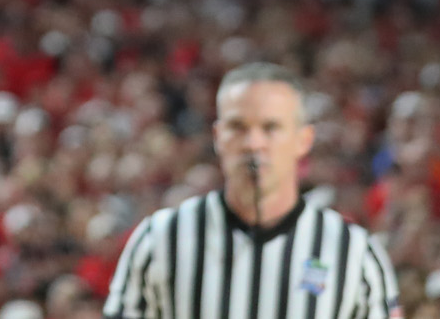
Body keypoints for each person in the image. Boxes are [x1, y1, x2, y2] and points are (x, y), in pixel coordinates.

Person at [104, 63, 401, 319]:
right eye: (238, 127)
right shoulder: (160, 239)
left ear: (303, 139)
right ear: (218, 137)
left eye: (270, 127)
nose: (253, 144)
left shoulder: (354, 253)